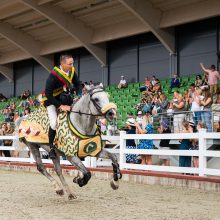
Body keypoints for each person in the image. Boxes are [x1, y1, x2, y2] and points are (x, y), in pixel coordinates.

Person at [42, 54, 80, 159]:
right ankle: (51, 149)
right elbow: (48, 94)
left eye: (72, 63)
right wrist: (60, 106)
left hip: (63, 96)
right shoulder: (53, 75)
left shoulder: (71, 71)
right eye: (69, 64)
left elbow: (78, 84)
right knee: (54, 123)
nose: (72, 65)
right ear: (62, 64)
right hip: (50, 100)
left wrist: (79, 94)